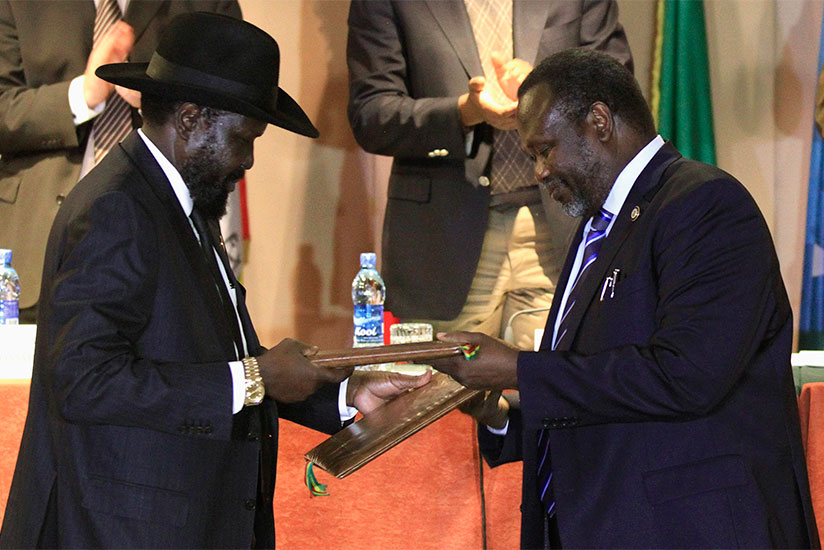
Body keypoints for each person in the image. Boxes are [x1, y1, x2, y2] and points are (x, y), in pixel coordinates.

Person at [0, 12, 429, 549]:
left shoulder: (183, 201)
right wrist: (255, 377)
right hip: (119, 531)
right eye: (244, 138)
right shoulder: (117, 208)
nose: (248, 159)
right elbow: (87, 381)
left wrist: (346, 396)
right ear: (190, 120)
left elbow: (214, 362)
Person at [432, 48, 820, 548]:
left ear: (599, 121)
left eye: (545, 149)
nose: (540, 172)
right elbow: (597, 389)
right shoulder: (598, 227)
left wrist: (518, 370)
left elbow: (687, 377)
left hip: (695, 530)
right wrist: (503, 415)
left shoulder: (705, 204)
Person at [346, 0, 632, 351]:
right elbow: (371, 115)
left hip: (561, 227)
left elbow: (617, 90)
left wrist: (546, 91)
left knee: (558, 392)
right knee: (445, 395)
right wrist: (465, 112)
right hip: (444, 237)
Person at [0, 0, 241, 324]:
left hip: (163, 244)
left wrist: (162, 105)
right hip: (34, 251)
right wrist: (83, 95)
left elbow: (238, 113)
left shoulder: (202, 4)